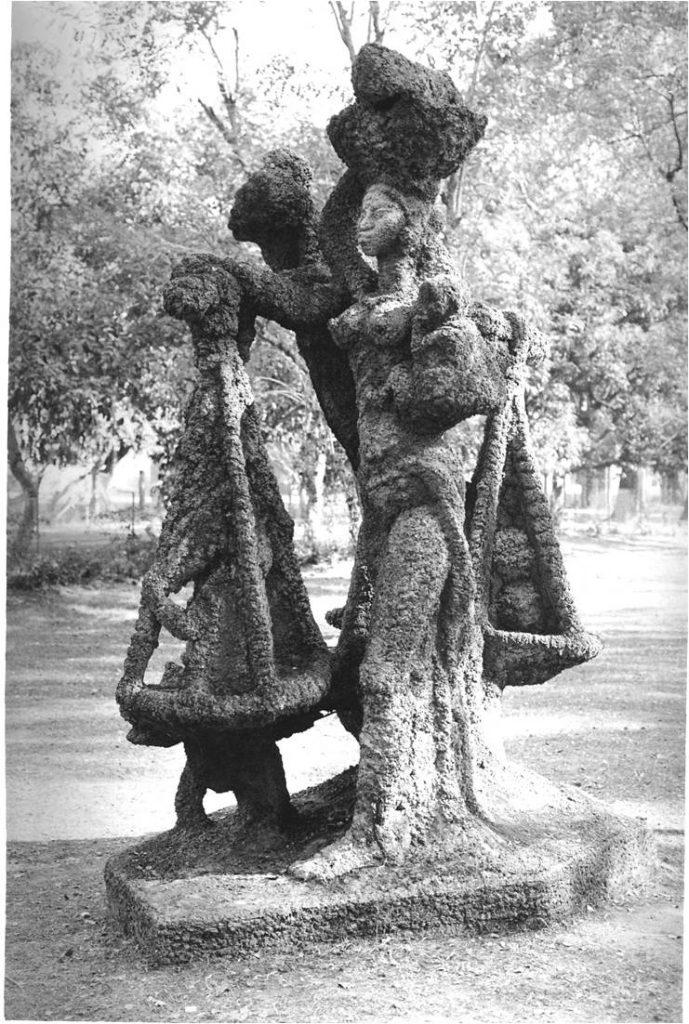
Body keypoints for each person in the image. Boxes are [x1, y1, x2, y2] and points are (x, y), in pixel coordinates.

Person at [291, 183, 518, 880]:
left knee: (388, 665)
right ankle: (389, 800)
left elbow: (472, 391)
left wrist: (428, 350)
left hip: (426, 503)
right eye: (365, 203)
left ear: (416, 219)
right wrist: (354, 172)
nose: (366, 215)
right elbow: (331, 232)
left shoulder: (437, 297)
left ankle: (380, 829)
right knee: (366, 656)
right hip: (382, 505)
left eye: (383, 204)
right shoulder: (363, 289)